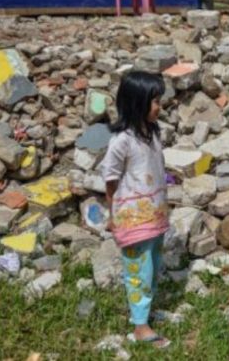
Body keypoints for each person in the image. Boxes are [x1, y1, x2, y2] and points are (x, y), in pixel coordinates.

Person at [100, 71, 171, 348]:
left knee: (152, 267)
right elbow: (110, 179)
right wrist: (112, 215)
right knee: (138, 272)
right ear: (136, 102)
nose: (159, 106)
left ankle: (147, 312)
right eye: (155, 101)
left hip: (154, 217)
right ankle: (140, 326)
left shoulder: (152, 133)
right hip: (133, 220)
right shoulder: (122, 141)